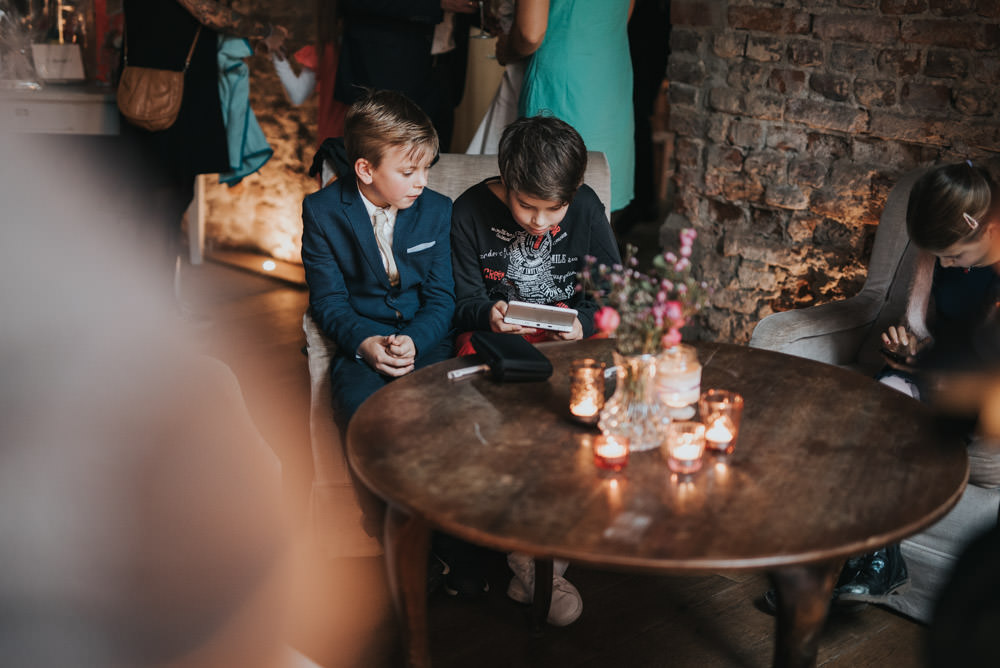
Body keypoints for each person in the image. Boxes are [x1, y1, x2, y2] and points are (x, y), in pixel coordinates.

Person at [449, 115, 621, 626]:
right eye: (527, 205)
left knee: (596, 415)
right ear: (506, 178)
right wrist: (488, 313)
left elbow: (612, 297)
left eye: (555, 210)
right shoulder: (468, 212)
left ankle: (539, 555)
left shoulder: (587, 208)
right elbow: (459, 302)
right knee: (513, 418)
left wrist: (583, 322)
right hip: (496, 341)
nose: (541, 223)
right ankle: (535, 559)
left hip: (570, 340)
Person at [835, 161, 1000, 605]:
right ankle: (876, 560)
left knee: (900, 434)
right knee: (875, 410)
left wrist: (926, 366)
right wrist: (907, 347)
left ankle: (847, 566)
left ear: (984, 228)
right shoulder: (941, 251)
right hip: (928, 376)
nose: (947, 263)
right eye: (939, 255)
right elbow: (922, 331)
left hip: (973, 397)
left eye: (956, 255)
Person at [301, 88, 455, 423]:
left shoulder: (438, 210)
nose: (422, 182)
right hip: (363, 338)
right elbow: (328, 299)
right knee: (363, 418)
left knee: (442, 416)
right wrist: (364, 342)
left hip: (427, 341)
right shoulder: (321, 212)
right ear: (366, 170)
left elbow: (442, 296)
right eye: (408, 172)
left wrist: (415, 340)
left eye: (426, 168)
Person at [119, 0, 286, 302]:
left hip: (145, 84)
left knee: (157, 206)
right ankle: (156, 312)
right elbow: (209, 11)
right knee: (164, 207)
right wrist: (265, 30)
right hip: (173, 90)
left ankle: (154, 308)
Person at [512, 0, 636, 213]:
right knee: (598, 208)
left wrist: (508, 47)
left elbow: (530, 34)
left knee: (545, 200)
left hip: (562, 83)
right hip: (608, 74)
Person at [334, 0, 476, 151]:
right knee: (386, 159)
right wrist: (436, 4)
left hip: (445, 66)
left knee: (437, 157)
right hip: (388, 68)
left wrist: (486, 16)